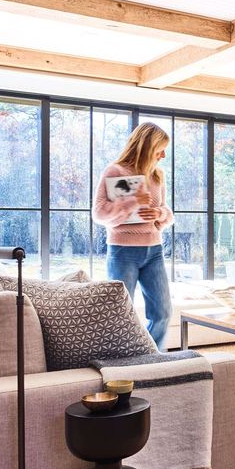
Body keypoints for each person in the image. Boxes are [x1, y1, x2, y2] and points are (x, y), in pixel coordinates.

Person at [92, 122, 174, 350]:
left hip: (154, 251)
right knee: (119, 313)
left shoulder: (157, 175)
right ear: (148, 146)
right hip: (122, 252)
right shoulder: (116, 172)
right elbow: (99, 213)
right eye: (160, 149)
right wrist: (132, 202)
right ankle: (121, 359)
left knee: (163, 312)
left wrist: (159, 213)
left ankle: (149, 356)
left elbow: (167, 212)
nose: (164, 155)